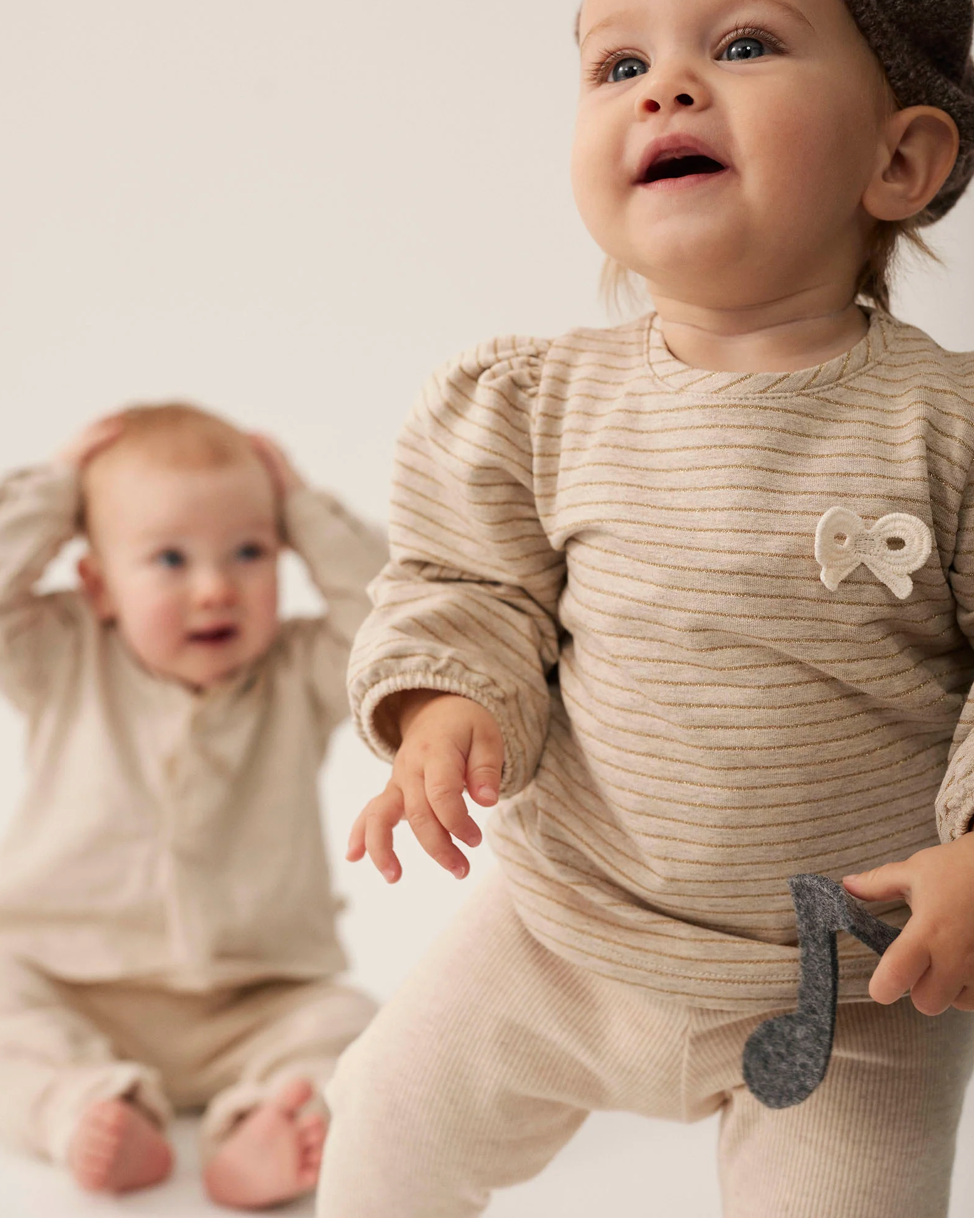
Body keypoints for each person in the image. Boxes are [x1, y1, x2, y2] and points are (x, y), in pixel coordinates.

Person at [315, 1, 974, 1215]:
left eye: (740, 45)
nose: (663, 87)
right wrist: (442, 700)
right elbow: (467, 583)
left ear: (898, 160)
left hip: (850, 984)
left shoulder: (943, 428)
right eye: (619, 63)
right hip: (558, 929)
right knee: (385, 1131)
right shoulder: (534, 405)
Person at [0, 404, 385, 1208]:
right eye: (170, 559)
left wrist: (307, 510)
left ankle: (272, 1120)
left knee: (358, 1026)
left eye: (249, 551)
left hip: (254, 1000)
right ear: (99, 586)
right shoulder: (61, 653)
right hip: (72, 986)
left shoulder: (300, 670)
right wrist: (54, 490)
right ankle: (85, 1110)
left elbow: (395, 624)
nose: (215, 588)